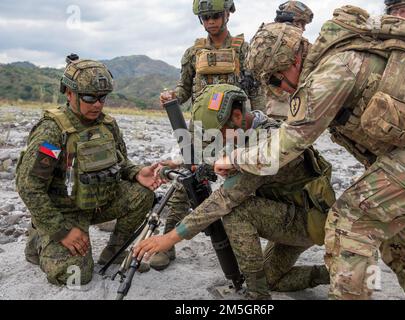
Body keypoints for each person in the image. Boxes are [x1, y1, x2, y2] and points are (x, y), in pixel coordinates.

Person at [214, 8, 405, 300]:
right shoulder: (340, 61)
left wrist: (234, 158)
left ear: (293, 59)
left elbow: (287, 143)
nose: (279, 90)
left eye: (275, 80)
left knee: (350, 223)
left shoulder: (334, 69)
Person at [134, 84, 334, 299]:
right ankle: (335, 274)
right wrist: (180, 164)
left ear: (237, 116)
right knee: (272, 279)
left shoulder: (265, 144)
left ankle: (257, 297)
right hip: (292, 212)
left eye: (220, 135)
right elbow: (224, 156)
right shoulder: (249, 129)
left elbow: (225, 198)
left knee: (235, 212)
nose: (218, 142)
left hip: (307, 221)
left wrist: (170, 238)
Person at [16, 55, 159, 286]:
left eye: (102, 98)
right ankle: (38, 239)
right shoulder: (52, 132)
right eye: (90, 97)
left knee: (143, 194)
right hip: (64, 210)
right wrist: (61, 230)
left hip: (100, 199)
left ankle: (115, 250)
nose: (97, 104)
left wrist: (135, 172)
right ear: (69, 93)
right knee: (76, 275)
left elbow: (120, 162)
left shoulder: (108, 125)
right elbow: (29, 186)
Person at [151, 0, 264, 271]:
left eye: (215, 15)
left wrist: (257, 125)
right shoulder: (193, 53)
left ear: (226, 14)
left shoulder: (245, 51)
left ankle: (245, 252)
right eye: (205, 17)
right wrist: (171, 97)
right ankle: (167, 246)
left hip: (236, 129)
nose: (210, 21)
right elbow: (184, 89)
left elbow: (257, 91)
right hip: (202, 130)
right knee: (187, 182)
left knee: (242, 186)